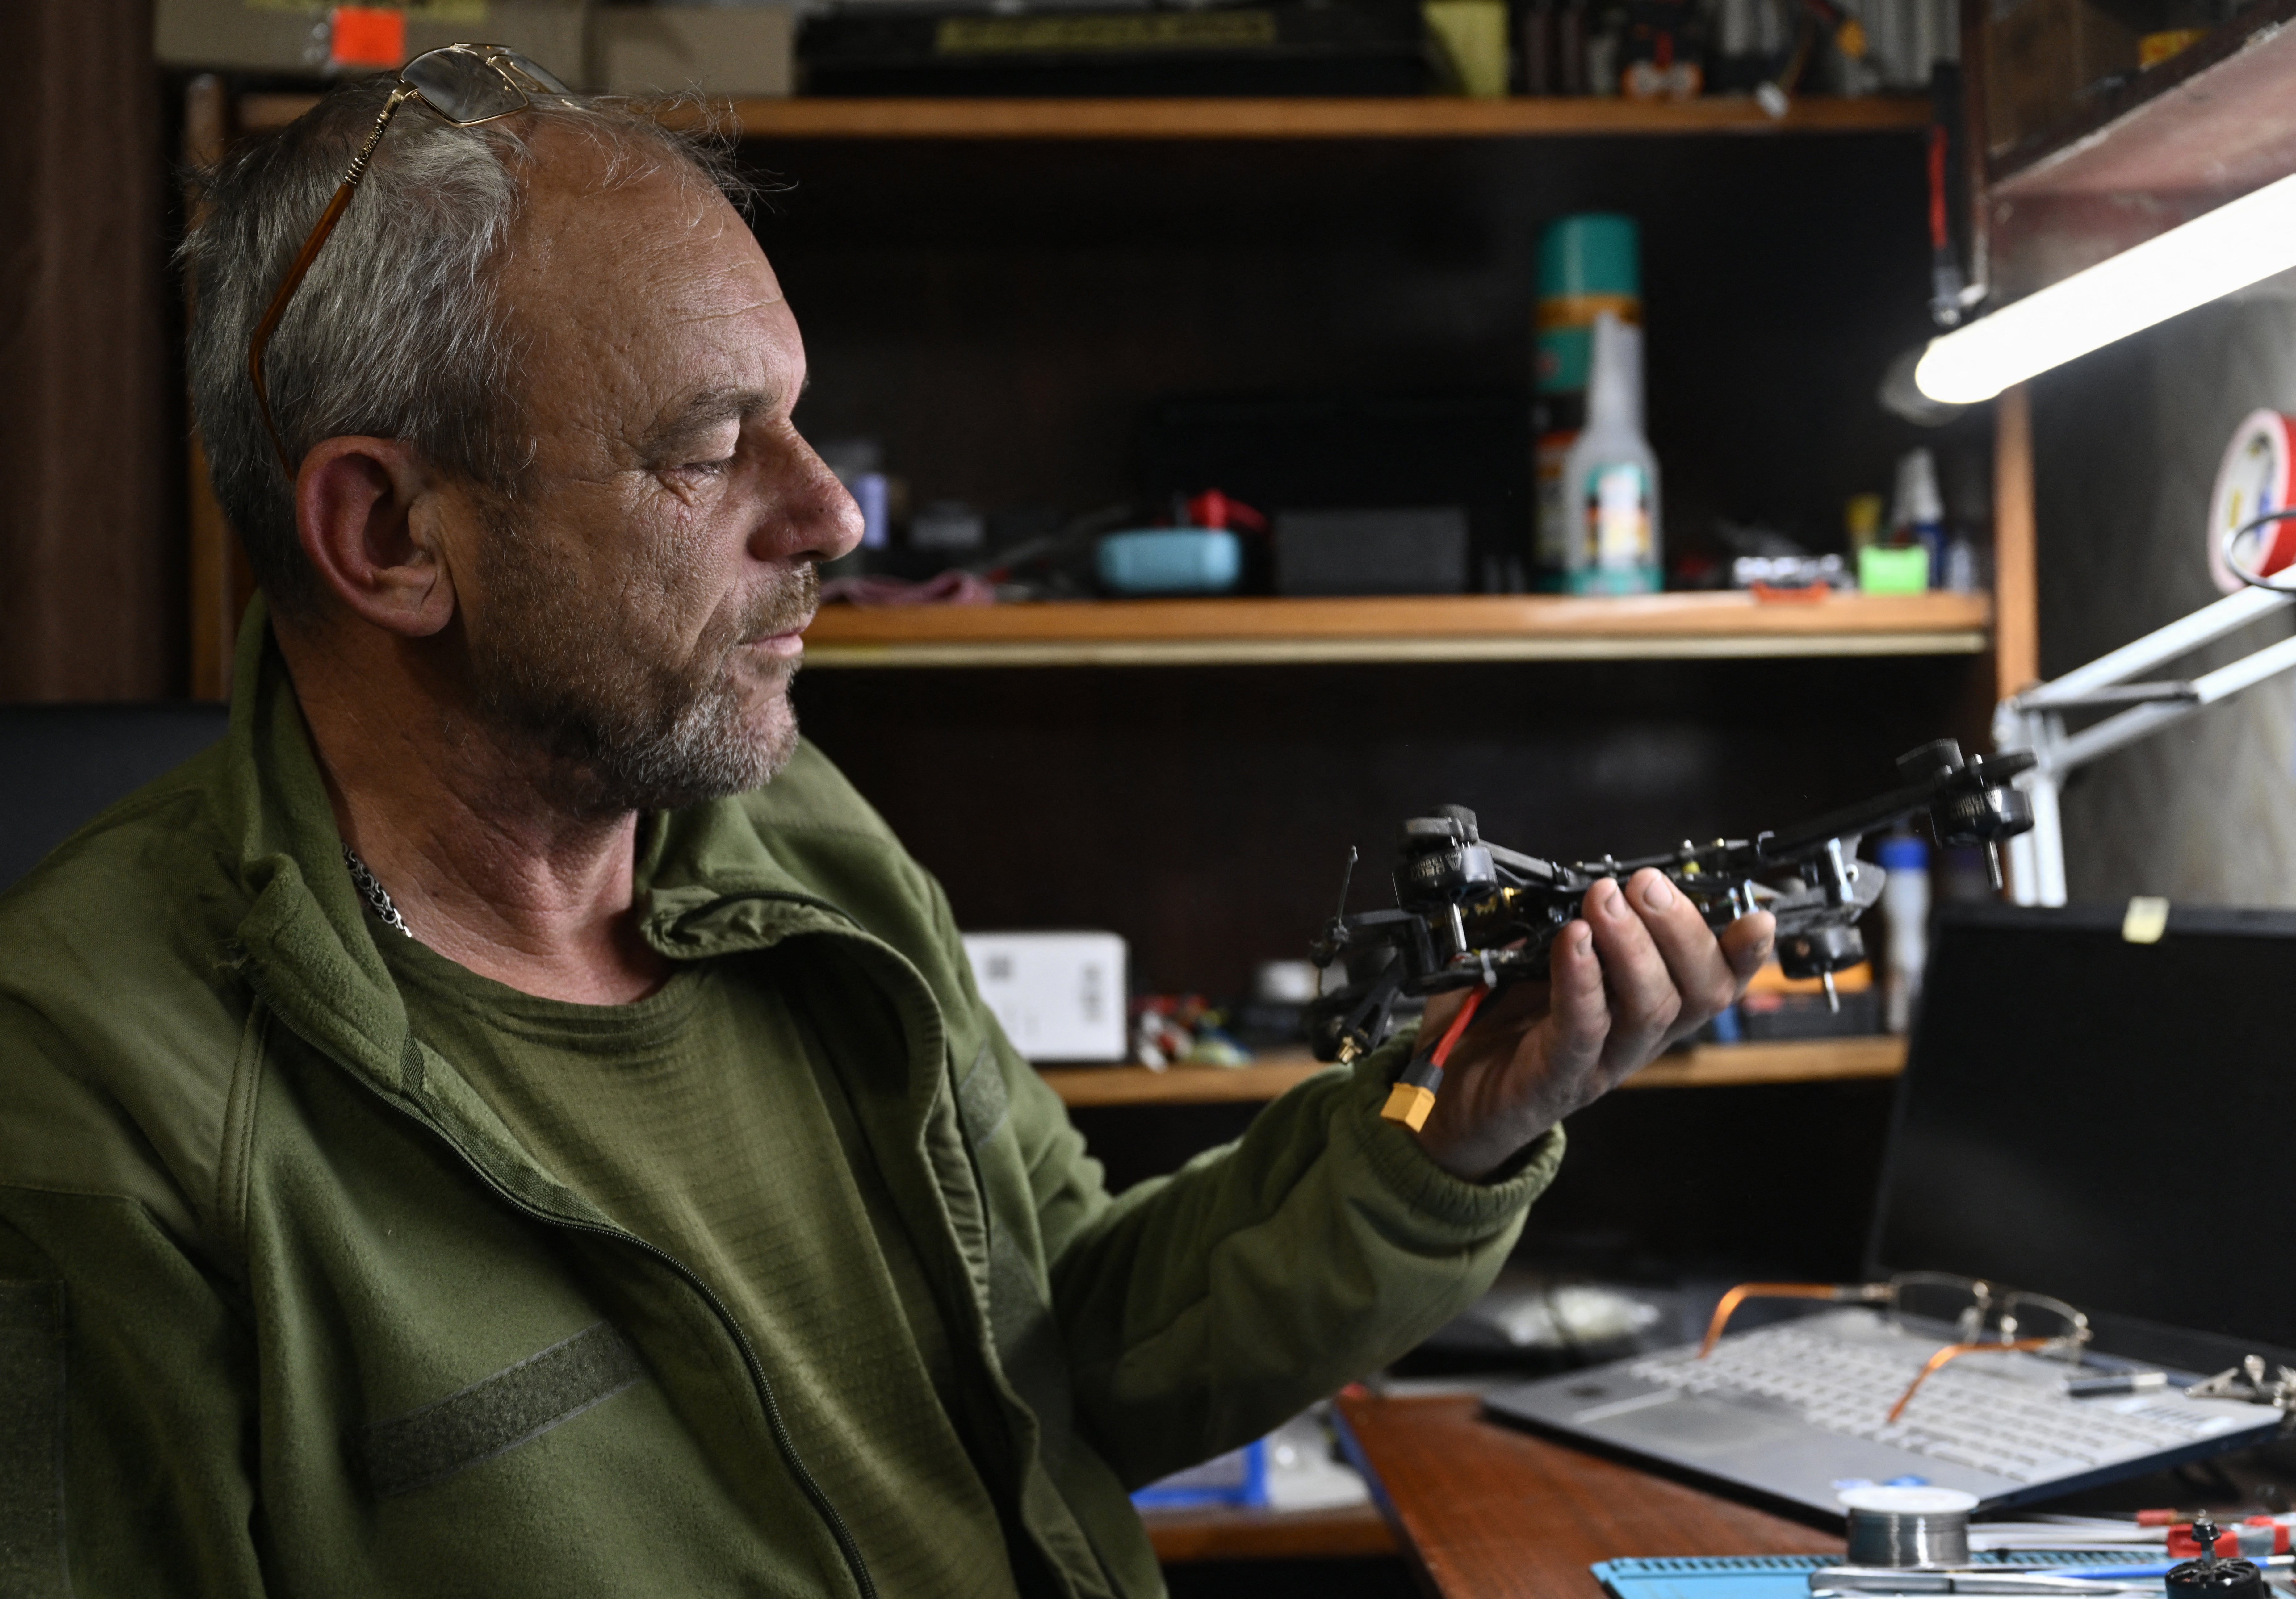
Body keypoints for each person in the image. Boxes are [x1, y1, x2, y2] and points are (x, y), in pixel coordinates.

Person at [0, 58, 1773, 1597]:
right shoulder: (86, 1075)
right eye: (711, 445)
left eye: (799, 415)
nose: (834, 511)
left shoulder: (785, 837)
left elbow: (1077, 1340)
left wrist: (1435, 1141)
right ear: (389, 535)